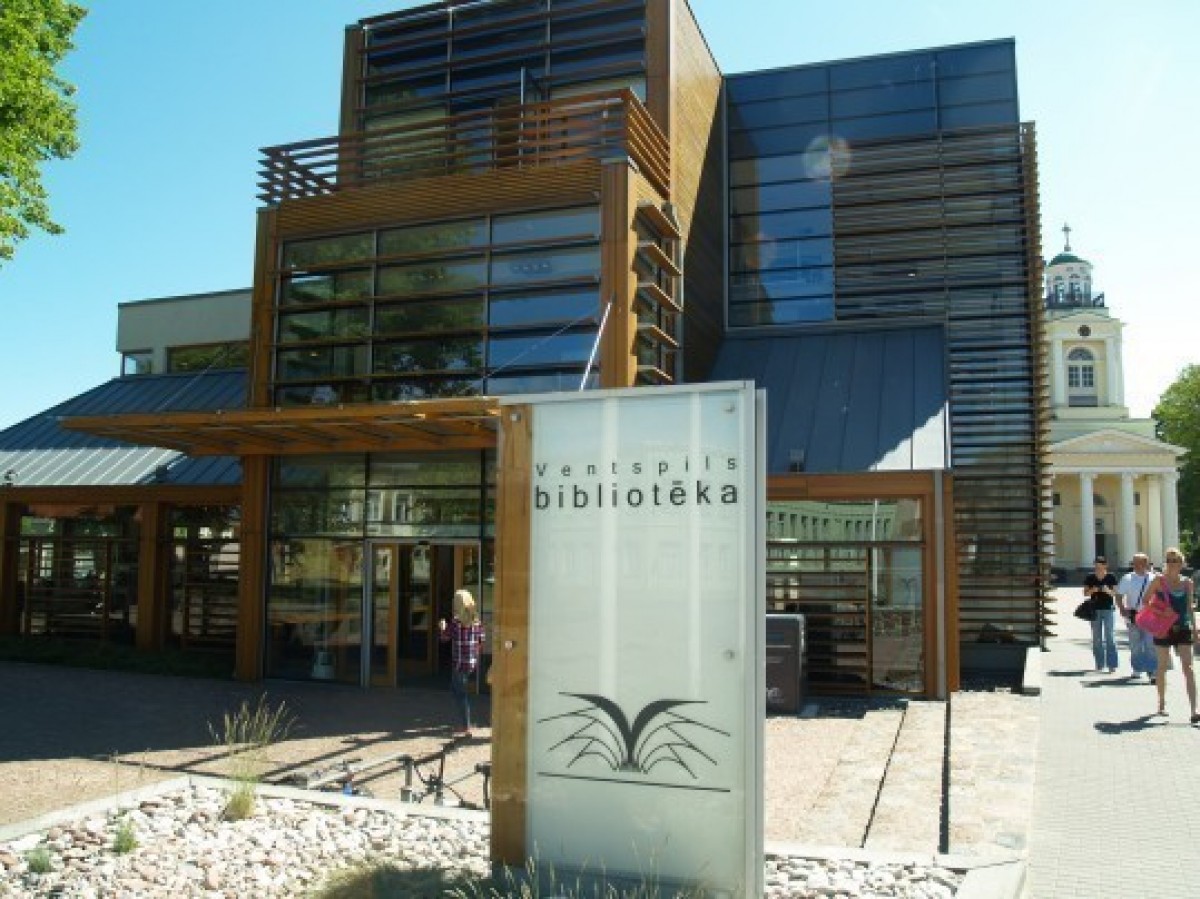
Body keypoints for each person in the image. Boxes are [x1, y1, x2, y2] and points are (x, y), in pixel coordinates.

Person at [1146, 548, 1198, 722]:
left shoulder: (1187, 583)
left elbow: (1190, 608)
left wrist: (1195, 630)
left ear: (1182, 563)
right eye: (1169, 560)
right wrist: (1161, 612)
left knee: (1188, 667)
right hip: (1163, 628)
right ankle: (1161, 702)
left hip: (1183, 627)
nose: (1172, 563)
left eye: (1175, 560)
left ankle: (1194, 709)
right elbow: (1146, 602)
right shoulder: (1158, 581)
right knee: (1161, 667)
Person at [438, 589, 485, 738]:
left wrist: (442, 627)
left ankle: (466, 726)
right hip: (471, 663)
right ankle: (467, 723)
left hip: (459, 664)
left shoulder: (456, 623)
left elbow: (444, 638)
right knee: (458, 690)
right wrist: (475, 655)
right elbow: (481, 641)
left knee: (459, 693)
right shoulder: (477, 622)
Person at [1116, 553, 1157, 680]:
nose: (1136, 565)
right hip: (1133, 615)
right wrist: (1122, 608)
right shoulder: (1127, 578)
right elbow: (1119, 595)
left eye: (1139, 562)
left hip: (1150, 616)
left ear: (1146, 563)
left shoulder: (1154, 578)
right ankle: (1137, 668)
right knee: (1135, 644)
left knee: (1150, 644)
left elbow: (1161, 596)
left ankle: (1152, 671)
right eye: (1134, 562)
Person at [1083, 556, 1119, 673]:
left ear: (1105, 565)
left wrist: (1107, 590)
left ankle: (1112, 664)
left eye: (1100, 566)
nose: (1098, 568)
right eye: (1096, 566)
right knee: (1096, 638)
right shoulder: (1090, 577)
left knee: (1110, 636)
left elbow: (1115, 593)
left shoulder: (1111, 577)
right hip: (1094, 609)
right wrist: (1092, 590)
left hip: (1108, 609)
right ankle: (1099, 664)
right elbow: (1085, 593)